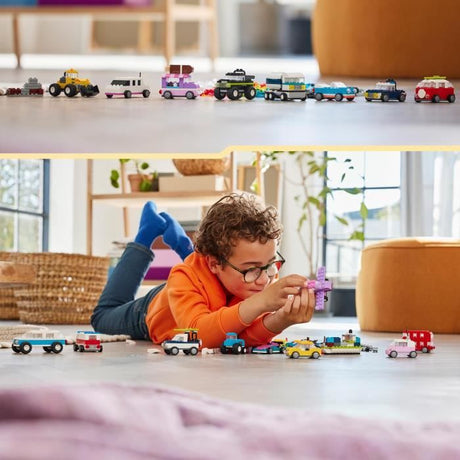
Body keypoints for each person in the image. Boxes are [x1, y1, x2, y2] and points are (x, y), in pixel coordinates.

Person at [91, 193, 315, 348]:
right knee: (102, 317)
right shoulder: (184, 277)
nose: (265, 279)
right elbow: (198, 335)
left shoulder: (258, 274)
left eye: (270, 264)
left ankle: (185, 246)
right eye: (252, 269)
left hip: (204, 282)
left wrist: (281, 319)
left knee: (203, 271)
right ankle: (146, 234)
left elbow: (241, 337)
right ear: (214, 264)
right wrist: (261, 303)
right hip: (152, 312)